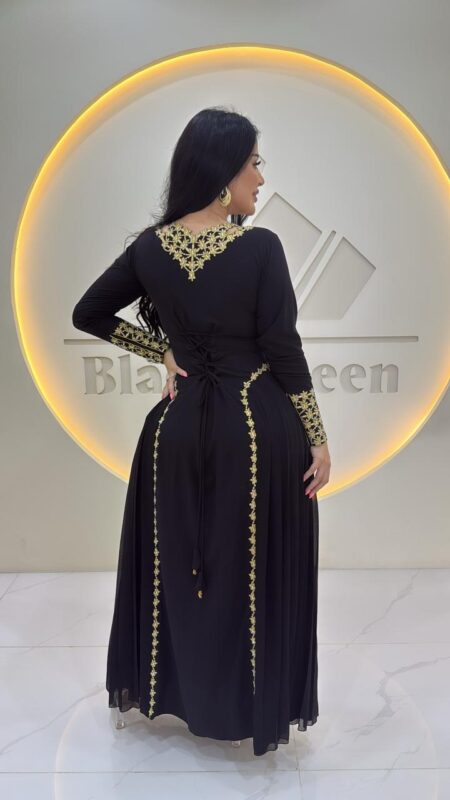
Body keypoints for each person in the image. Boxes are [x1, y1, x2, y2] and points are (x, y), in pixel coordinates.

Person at [71, 106, 331, 757]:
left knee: (184, 568)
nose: (260, 179)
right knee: (249, 571)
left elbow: (88, 312)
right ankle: (245, 704)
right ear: (223, 173)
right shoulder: (260, 247)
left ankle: (181, 696)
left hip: (175, 431)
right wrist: (318, 436)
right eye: (254, 164)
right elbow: (283, 347)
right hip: (256, 429)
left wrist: (161, 352)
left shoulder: (149, 248)